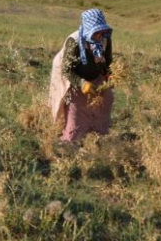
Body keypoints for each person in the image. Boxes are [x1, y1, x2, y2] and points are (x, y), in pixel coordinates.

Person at [49, 8, 114, 143]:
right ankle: (70, 142)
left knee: (104, 102)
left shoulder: (105, 38)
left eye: (102, 31)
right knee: (77, 110)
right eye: (96, 32)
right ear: (89, 30)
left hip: (95, 76)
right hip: (73, 78)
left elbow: (107, 61)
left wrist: (109, 75)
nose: (100, 35)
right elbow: (67, 71)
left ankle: (98, 138)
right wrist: (82, 83)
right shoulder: (74, 41)